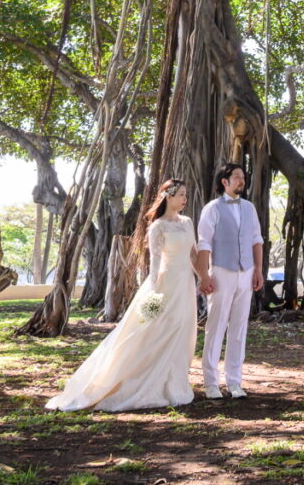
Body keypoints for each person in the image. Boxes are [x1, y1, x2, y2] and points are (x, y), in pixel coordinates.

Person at [45, 179, 197, 412]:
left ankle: (174, 381)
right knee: (158, 330)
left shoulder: (187, 223)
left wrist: (204, 278)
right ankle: (145, 380)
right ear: (169, 196)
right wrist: (154, 293)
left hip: (185, 284)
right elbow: (155, 263)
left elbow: (193, 254)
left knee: (182, 328)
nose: (185, 199)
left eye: (186, 194)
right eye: (181, 194)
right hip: (165, 284)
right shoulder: (158, 226)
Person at [194, 161, 264, 399]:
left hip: (246, 272)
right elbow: (204, 243)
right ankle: (211, 383)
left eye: (243, 177)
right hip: (221, 271)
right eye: (237, 177)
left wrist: (258, 270)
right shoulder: (212, 208)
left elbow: (256, 240)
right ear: (225, 181)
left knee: (239, 327)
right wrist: (204, 275)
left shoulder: (249, 208)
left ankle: (234, 381)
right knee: (216, 326)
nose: (241, 181)